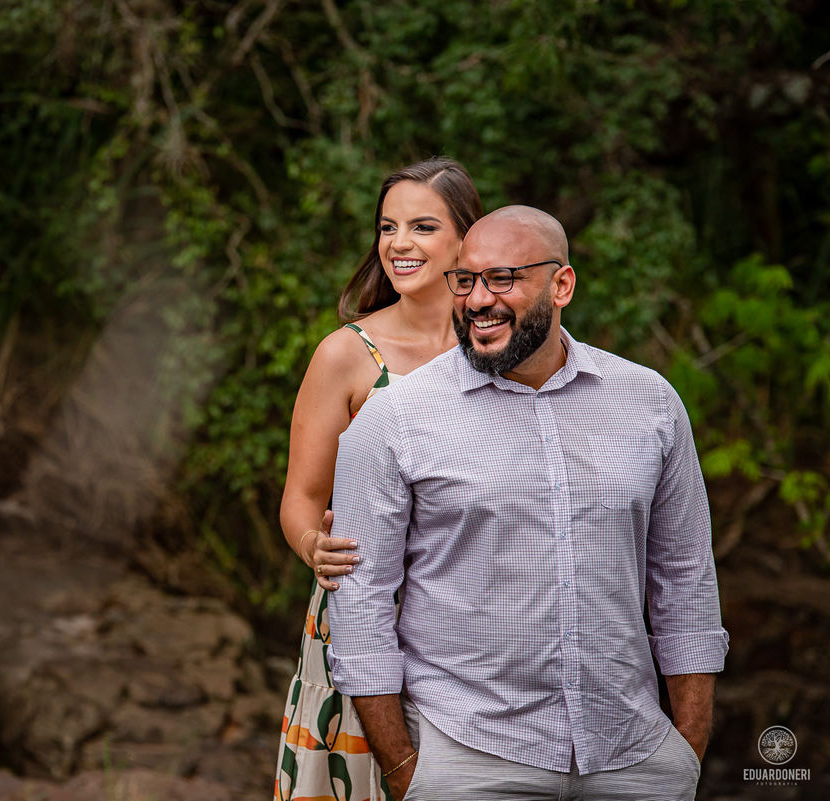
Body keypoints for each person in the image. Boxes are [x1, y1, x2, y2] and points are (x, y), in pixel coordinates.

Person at [326, 205, 729, 801]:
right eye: (465, 281)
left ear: (560, 284)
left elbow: (685, 579)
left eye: (504, 279)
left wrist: (686, 747)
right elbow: (361, 601)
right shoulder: (395, 417)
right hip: (469, 758)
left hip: (634, 757)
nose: (478, 300)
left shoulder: (651, 405)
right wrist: (405, 768)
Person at [273, 158, 482, 801]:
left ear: (465, 240)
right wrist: (313, 544)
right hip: (369, 614)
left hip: (475, 616)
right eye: (387, 227)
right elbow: (302, 498)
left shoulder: (498, 346)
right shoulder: (345, 354)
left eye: (421, 226)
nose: (398, 244)